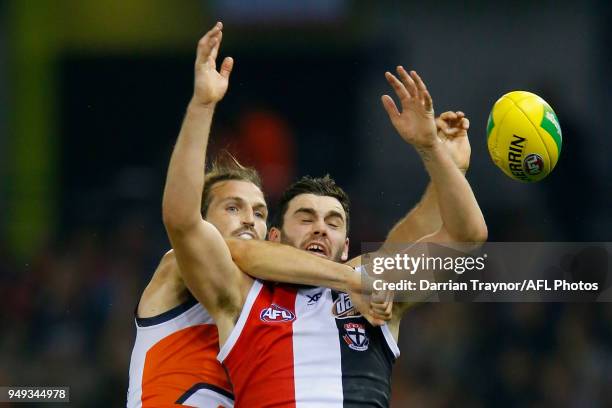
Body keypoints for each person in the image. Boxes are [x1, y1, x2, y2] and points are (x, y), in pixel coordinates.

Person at [163, 22, 487, 407]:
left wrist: (432, 149)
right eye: (305, 217)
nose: (320, 228)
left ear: (346, 245)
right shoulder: (242, 292)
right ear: (275, 237)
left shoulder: (377, 283)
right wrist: (202, 105)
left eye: (333, 222)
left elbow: (467, 238)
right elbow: (184, 222)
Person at [127, 23, 390, 408]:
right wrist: (202, 106)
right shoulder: (179, 263)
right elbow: (181, 218)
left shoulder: (262, 299)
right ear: (205, 217)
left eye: (260, 211)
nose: (249, 219)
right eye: (233, 207)